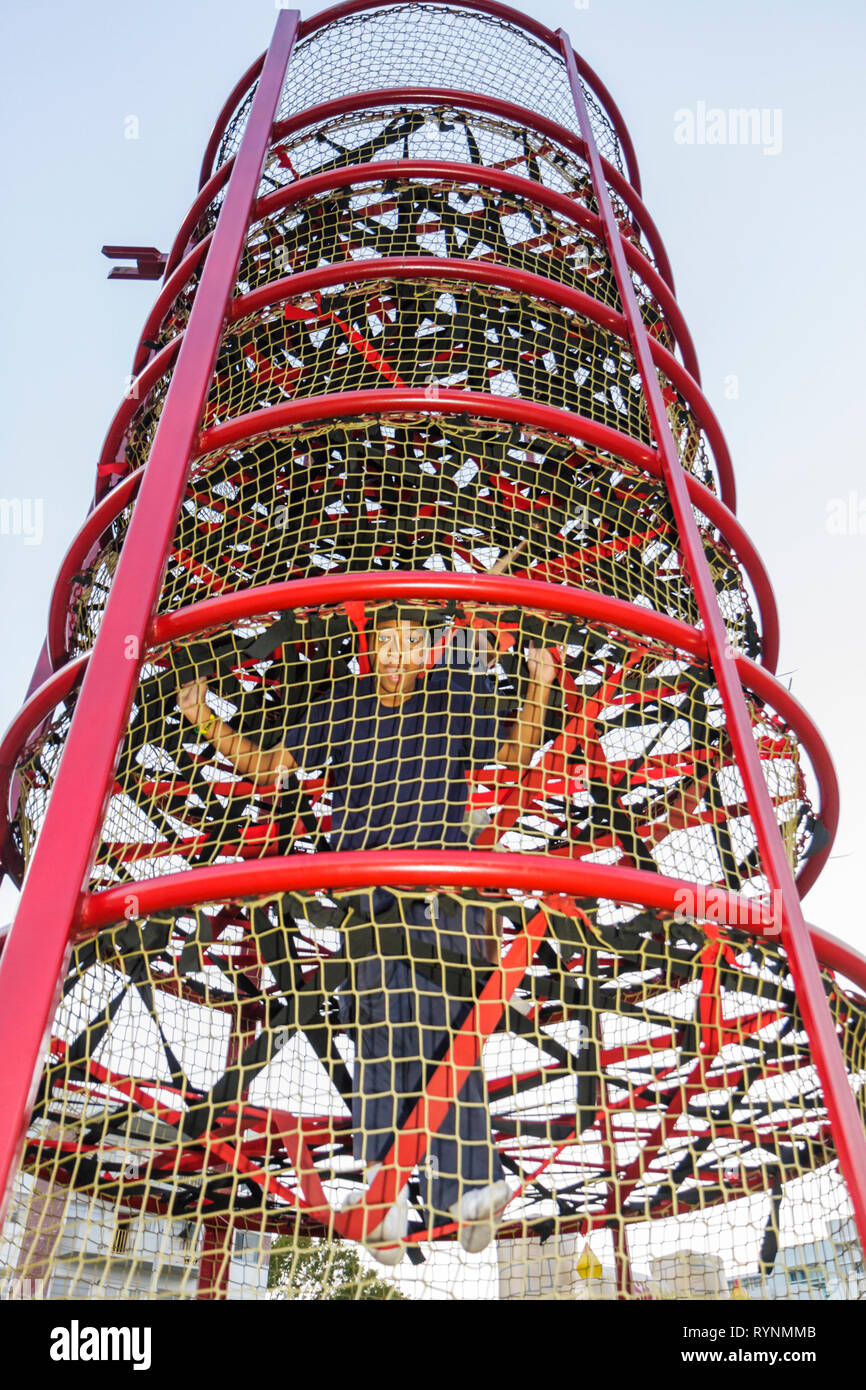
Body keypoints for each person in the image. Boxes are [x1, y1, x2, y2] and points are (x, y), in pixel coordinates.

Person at [178, 605, 556, 1262]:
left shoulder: (449, 701)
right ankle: (387, 1197)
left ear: (427, 652)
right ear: (371, 645)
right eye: (387, 640)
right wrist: (202, 717)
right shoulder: (345, 701)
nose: (398, 654)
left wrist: (540, 684)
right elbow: (270, 767)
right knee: (379, 1035)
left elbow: (515, 754)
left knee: (447, 1034)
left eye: (412, 643)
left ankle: (468, 1192)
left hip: (446, 893)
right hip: (366, 898)